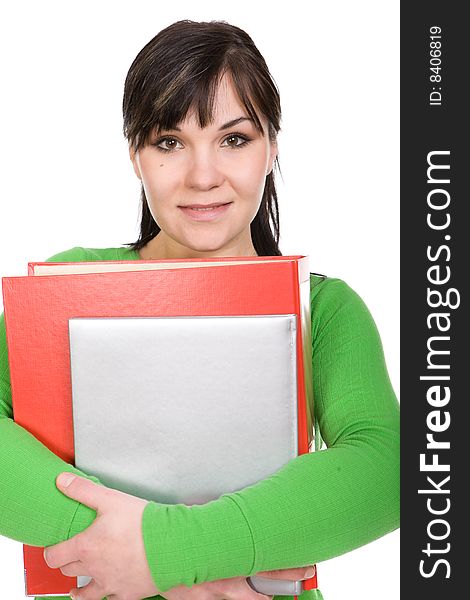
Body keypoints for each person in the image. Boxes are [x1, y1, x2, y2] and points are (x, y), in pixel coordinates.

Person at [0, 19, 400, 600]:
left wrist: (172, 552)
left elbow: (389, 470)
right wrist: (152, 557)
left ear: (272, 147)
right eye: (169, 142)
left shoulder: (325, 308)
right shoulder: (72, 284)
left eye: (234, 139)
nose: (203, 175)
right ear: (135, 155)